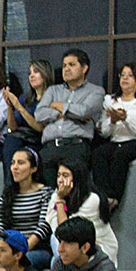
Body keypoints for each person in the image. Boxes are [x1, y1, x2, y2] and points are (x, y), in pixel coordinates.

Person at [36, 48, 106, 185]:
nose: (66, 69)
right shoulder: (53, 90)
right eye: (64, 65)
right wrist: (63, 113)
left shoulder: (96, 91)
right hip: (50, 148)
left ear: (84, 68)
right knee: (48, 193)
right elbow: (39, 114)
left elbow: (84, 111)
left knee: (73, 192)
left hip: (75, 147)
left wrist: (58, 105)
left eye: (72, 65)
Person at [92, 62, 136, 210]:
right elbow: (104, 132)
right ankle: (104, 196)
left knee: (121, 154)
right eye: (122, 75)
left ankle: (115, 197)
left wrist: (126, 118)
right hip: (116, 141)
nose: (125, 78)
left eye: (130, 76)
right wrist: (113, 121)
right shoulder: (110, 100)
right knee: (99, 153)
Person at [44, 158, 118, 265]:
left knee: (57, 251)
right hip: (74, 247)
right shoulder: (57, 194)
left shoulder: (92, 199)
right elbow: (55, 226)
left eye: (65, 176)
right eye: (58, 175)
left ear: (77, 178)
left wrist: (60, 202)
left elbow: (69, 233)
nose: (60, 180)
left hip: (98, 248)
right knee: (55, 248)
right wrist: (59, 200)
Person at [0, 148, 54, 269]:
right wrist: (2, 249)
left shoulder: (45, 193)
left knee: (23, 262)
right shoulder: (7, 194)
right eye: (13, 163)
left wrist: (22, 249)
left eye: (21, 163)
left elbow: (43, 227)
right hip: (10, 249)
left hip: (37, 249)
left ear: (33, 168)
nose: (15, 167)